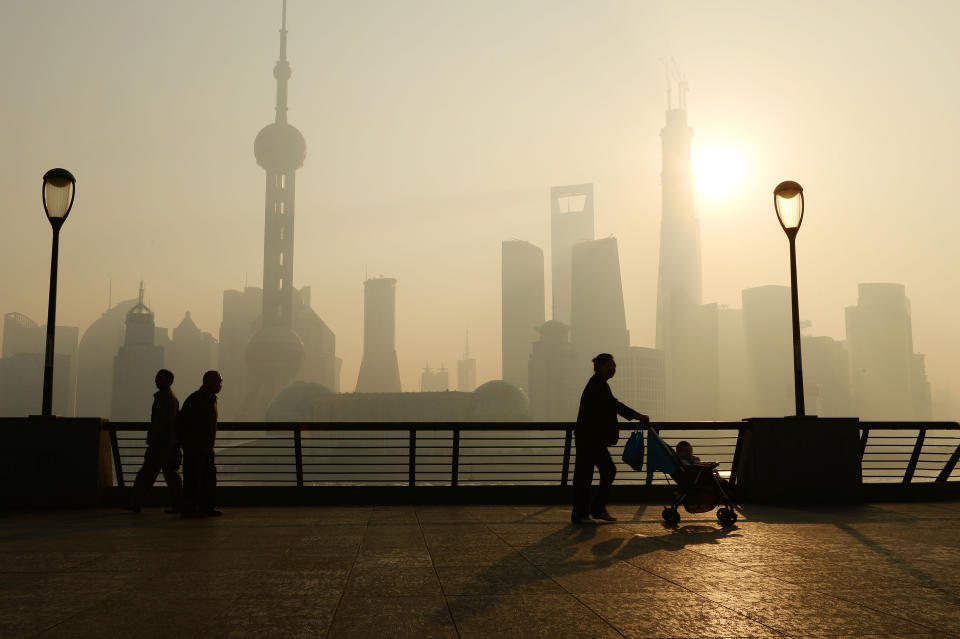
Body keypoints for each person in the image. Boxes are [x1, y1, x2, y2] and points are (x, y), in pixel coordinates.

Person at [571, 353, 649, 524]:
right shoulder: (597, 385)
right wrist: (638, 415)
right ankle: (587, 513)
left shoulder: (599, 383)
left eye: (615, 366)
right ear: (600, 366)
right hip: (589, 439)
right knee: (594, 474)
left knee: (593, 473)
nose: (614, 369)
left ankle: (592, 511)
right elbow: (614, 405)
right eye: (610, 366)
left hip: (591, 439)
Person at [124, 369, 182, 513]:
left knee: (152, 475)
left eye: (159, 378)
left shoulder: (167, 399)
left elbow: (164, 423)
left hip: (162, 444)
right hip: (163, 444)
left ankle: (136, 503)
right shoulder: (166, 398)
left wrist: (154, 436)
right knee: (165, 476)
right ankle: (178, 505)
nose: (156, 380)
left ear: (168, 381)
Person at [178, 370, 223, 518]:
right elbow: (185, 424)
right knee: (193, 480)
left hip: (207, 448)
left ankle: (206, 507)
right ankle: (190, 509)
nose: (220, 385)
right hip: (195, 448)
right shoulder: (196, 399)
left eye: (220, 381)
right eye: (217, 381)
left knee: (207, 479)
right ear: (207, 382)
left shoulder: (211, 399)